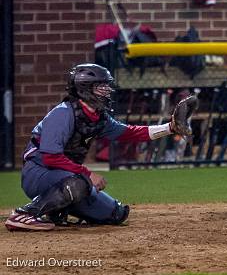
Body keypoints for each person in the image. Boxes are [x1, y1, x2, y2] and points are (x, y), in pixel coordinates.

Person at [5, 64, 195, 231]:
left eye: (106, 86)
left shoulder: (98, 117)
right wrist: (87, 174)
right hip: (38, 173)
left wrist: (170, 128)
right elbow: (50, 157)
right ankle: (25, 214)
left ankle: (57, 210)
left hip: (65, 175)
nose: (106, 91)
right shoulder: (63, 113)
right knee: (80, 183)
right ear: (85, 89)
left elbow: (130, 132)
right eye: (101, 87)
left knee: (116, 214)